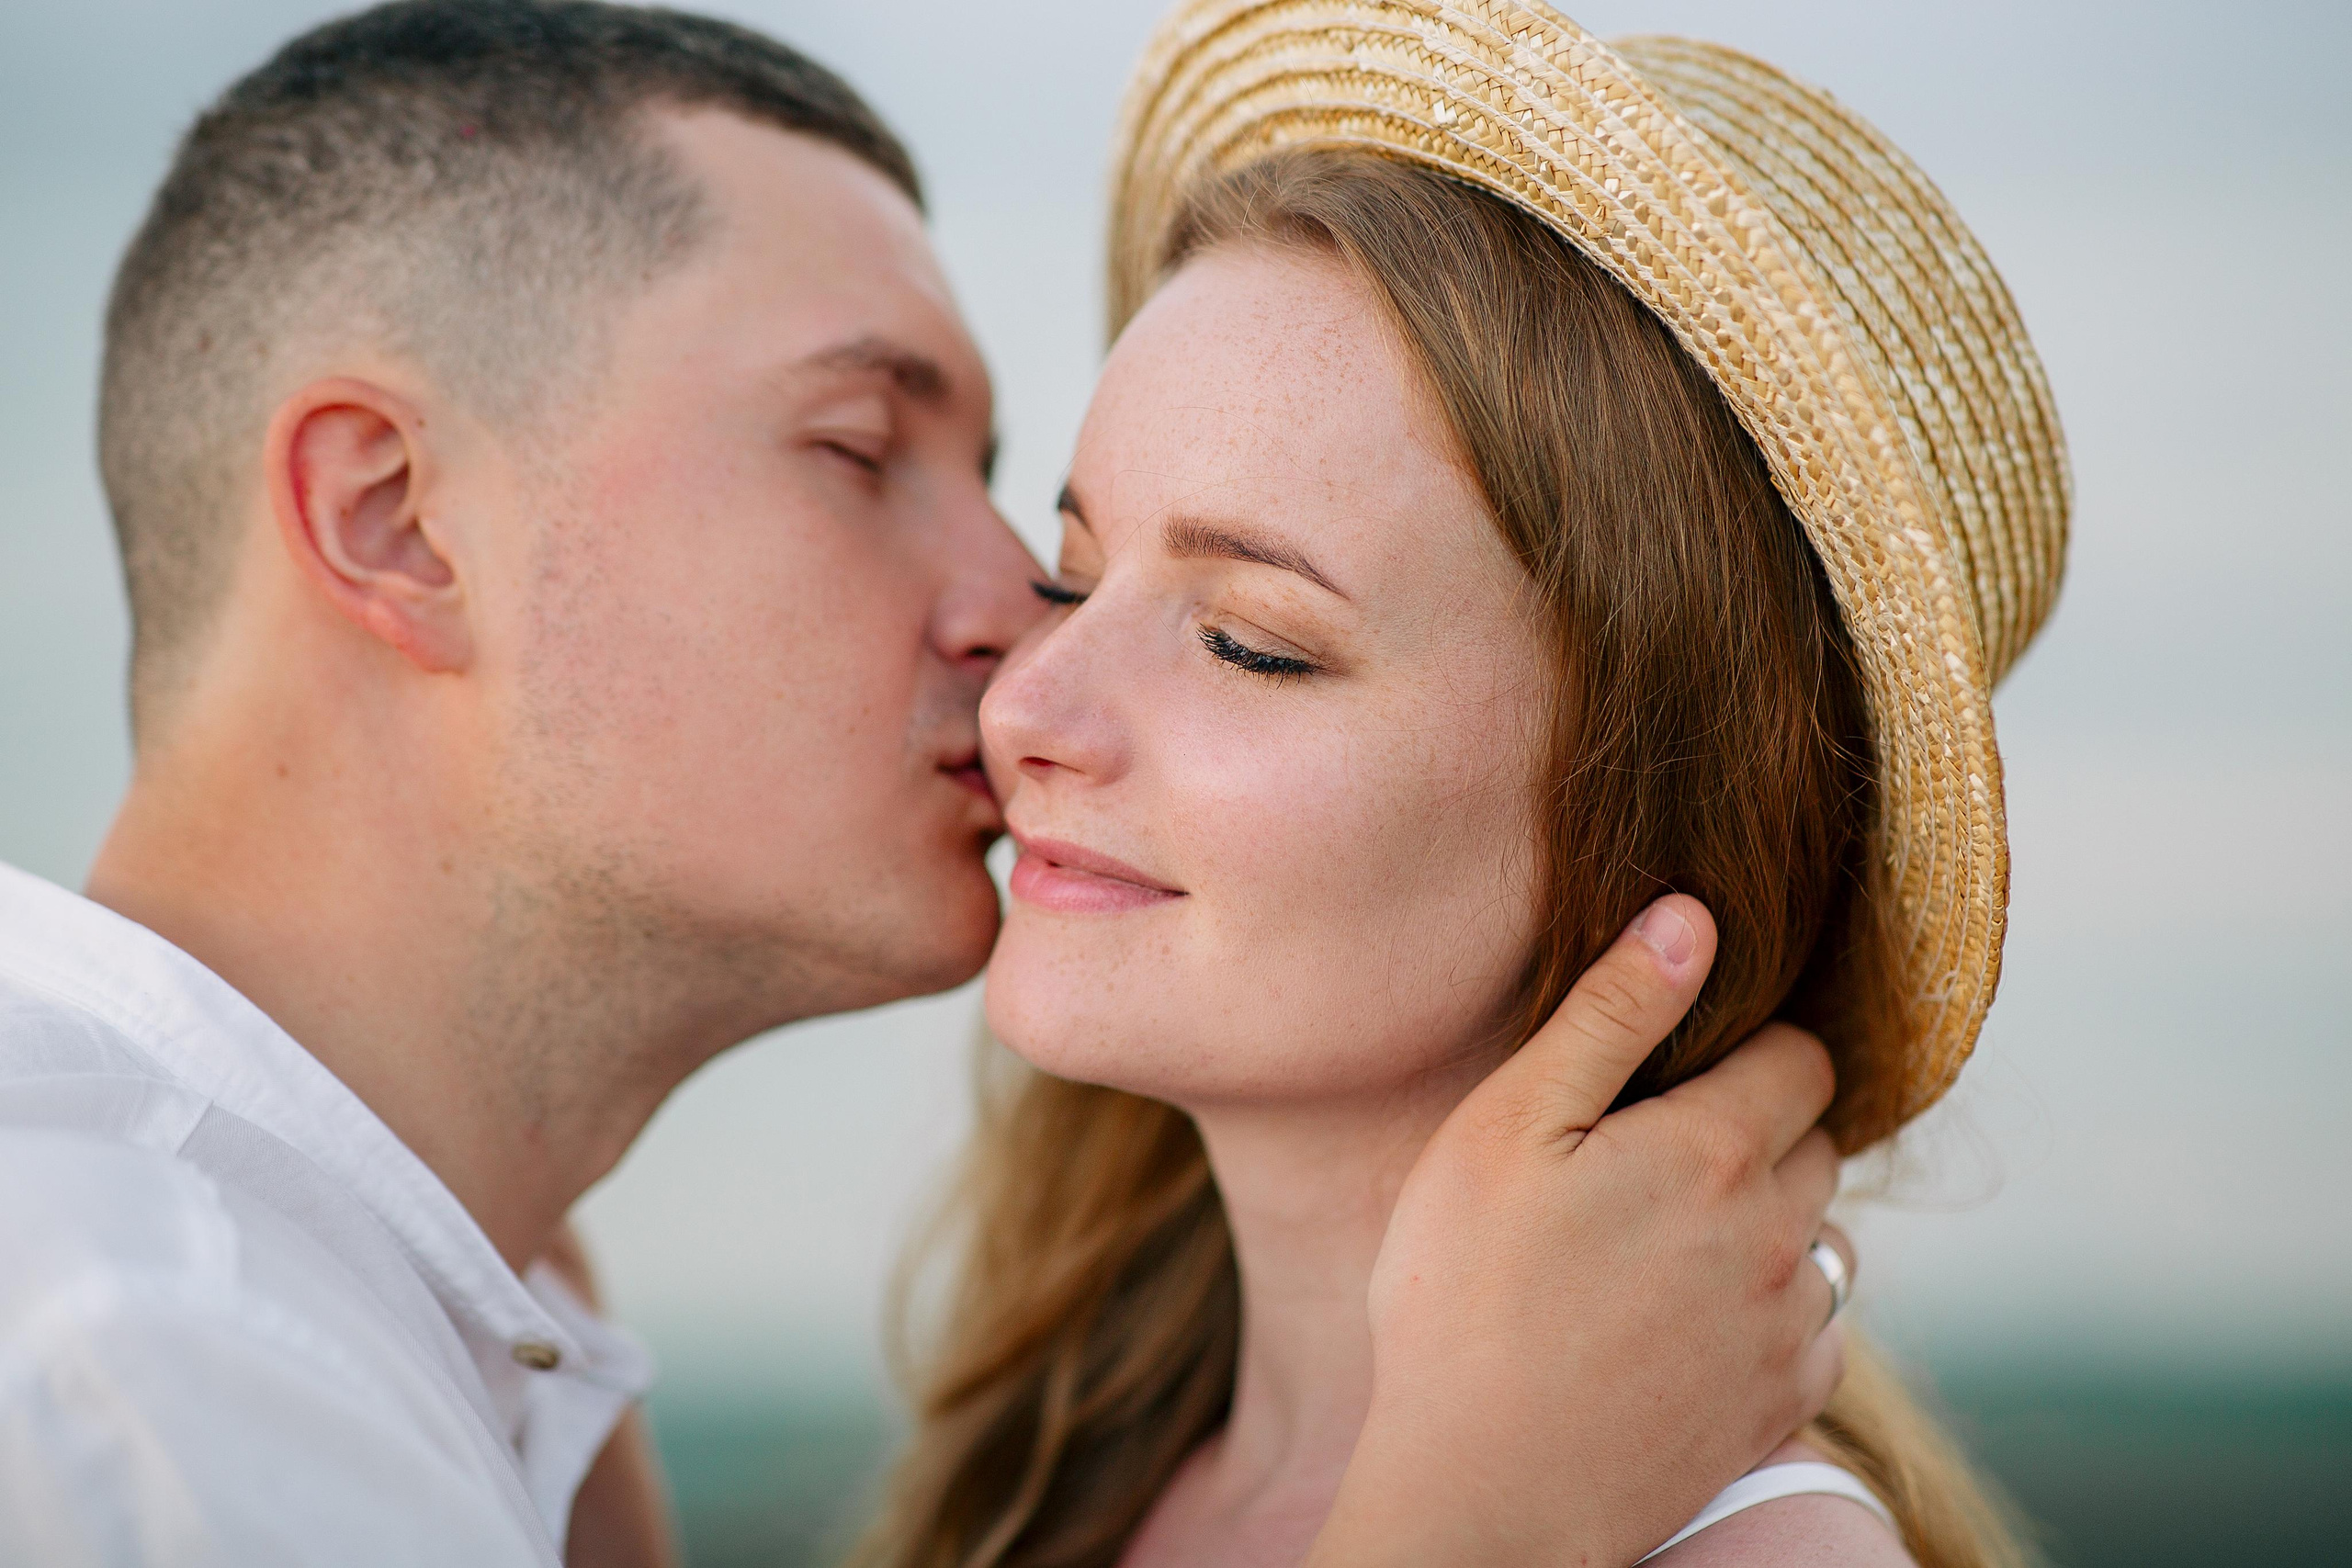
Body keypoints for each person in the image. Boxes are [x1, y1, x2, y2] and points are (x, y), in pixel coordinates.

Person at [0, 3, 1860, 1565]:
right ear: (397, 521)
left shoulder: (439, 1332)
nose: (1019, 646)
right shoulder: (140, 1376)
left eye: (1250, 637)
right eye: (855, 446)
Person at [859, 5, 2070, 1568]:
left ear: (1644, 809)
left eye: (1249, 645)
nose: (1026, 702)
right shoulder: (1062, 1473)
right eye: (1073, 576)